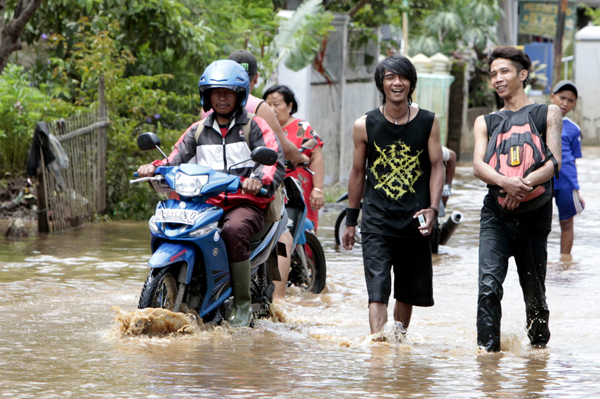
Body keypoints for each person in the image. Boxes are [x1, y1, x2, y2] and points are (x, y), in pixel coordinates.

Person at [137, 59, 285, 327]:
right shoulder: (198, 130)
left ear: (239, 96)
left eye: (228, 93)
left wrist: (258, 179)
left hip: (244, 203)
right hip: (204, 202)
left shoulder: (255, 126)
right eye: (216, 93)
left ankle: (241, 305)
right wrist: (153, 168)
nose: (222, 99)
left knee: (233, 230)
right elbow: (174, 159)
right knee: (170, 223)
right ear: (207, 96)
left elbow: (274, 161)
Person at [342, 55, 445, 337]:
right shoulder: (364, 124)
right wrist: (351, 220)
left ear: (411, 83)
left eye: (403, 77)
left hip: (415, 220)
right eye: (390, 77)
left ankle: (398, 341)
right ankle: (378, 347)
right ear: (381, 83)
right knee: (377, 289)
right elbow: (357, 172)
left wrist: (433, 209)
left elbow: (438, 166)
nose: (397, 83)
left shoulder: (428, 122)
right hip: (376, 220)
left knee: (407, 291)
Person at [472, 46, 562, 352]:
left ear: (522, 75)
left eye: (504, 71)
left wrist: (521, 186)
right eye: (493, 74)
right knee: (488, 287)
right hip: (495, 215)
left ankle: (538, 357)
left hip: (535, 215)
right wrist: (506, 185)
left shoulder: (548, 112)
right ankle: (487, 357)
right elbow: (478, 166)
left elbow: (553, 163)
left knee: (534, 294)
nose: (497, 79)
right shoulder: (485, 121)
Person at [263, 84, 325, 299]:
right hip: (270, 189)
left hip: (299, 189)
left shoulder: (302, 128)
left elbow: (315, 157)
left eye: (277, 104)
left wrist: (318, 189)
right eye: (268, 104)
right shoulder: (261, 127)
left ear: (290, 106)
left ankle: (303, 275)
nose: (272, 109)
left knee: (302, 235)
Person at [550, 80, 584, 256]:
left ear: (574, 104)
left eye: (570, 100)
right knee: (538, 223)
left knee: (567, 223)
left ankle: (565, 262)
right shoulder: (540, 121)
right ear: (552, 96)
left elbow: (573, 161)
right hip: (544, 181)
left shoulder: (574, 129)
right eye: (562, 98)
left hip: (566, 183)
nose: (565, 103)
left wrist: (576, 190)